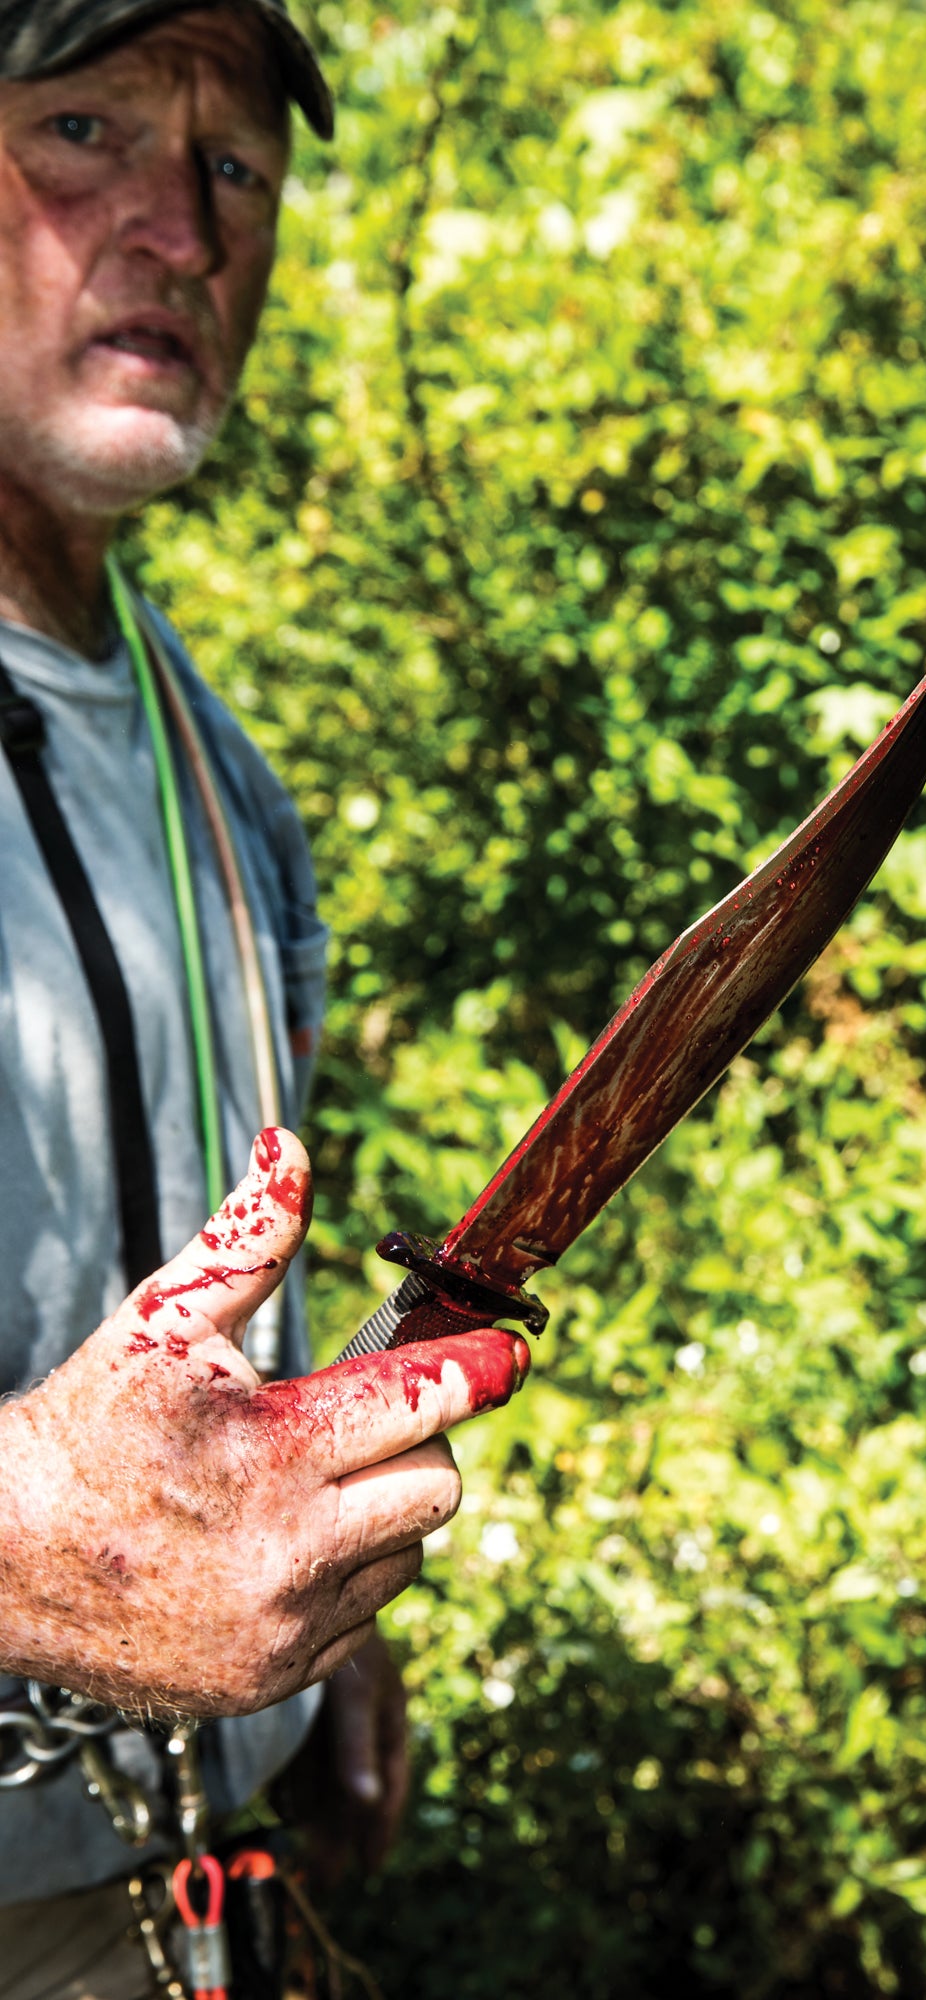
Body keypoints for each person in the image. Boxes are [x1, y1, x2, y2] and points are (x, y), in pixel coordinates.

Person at [0, 3, 529, 1990]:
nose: (182, 232)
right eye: (80, 128)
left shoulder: (221, 778)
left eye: (233, 168)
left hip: (192, 1896)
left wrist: (319, 1663)